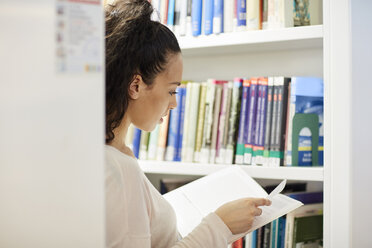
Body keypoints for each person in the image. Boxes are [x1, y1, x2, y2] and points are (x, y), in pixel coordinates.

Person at [104, 0, 271, 247]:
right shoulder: (116, 168)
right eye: (172, 91)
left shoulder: (115, 155)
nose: (173, 105)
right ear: (136, 85)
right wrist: (219, 227)